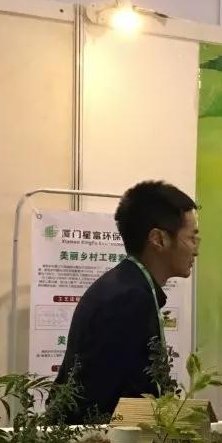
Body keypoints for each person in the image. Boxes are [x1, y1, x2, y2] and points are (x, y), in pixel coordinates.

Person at [54, 181, 199, 424]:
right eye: (192, 238)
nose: (196, 251)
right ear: (158, 239)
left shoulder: (126, 286)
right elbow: (105, 399)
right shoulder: (128, 299)